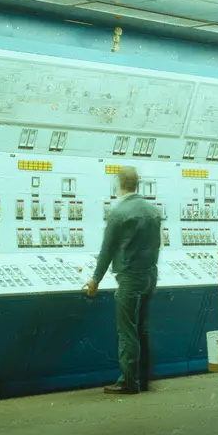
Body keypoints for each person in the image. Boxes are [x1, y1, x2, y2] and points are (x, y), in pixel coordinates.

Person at [84, 166, 162, 395]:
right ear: (137, 183)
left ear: (118, 184)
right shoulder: (153, 211)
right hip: (150, 276)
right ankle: (143, 379)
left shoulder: (119, 213)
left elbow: (107, 250)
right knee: (142, 329)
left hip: (129, 278)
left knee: (127, 331)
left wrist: (95, 280)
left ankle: (129, 382)